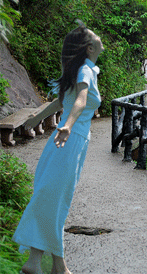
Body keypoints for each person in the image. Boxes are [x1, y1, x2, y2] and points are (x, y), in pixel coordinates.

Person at [12, 20, 104, 274]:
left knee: (50, 197)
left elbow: (61, 101)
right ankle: (46, 265)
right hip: (69, 140)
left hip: (63, 143)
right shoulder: (85, 70)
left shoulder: (83, 70)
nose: (99, 37)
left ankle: (52, 265)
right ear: (88, 47)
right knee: (54, 199)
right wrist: (68, 125)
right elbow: (80, 101)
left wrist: (35, 119)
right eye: (95, 35)